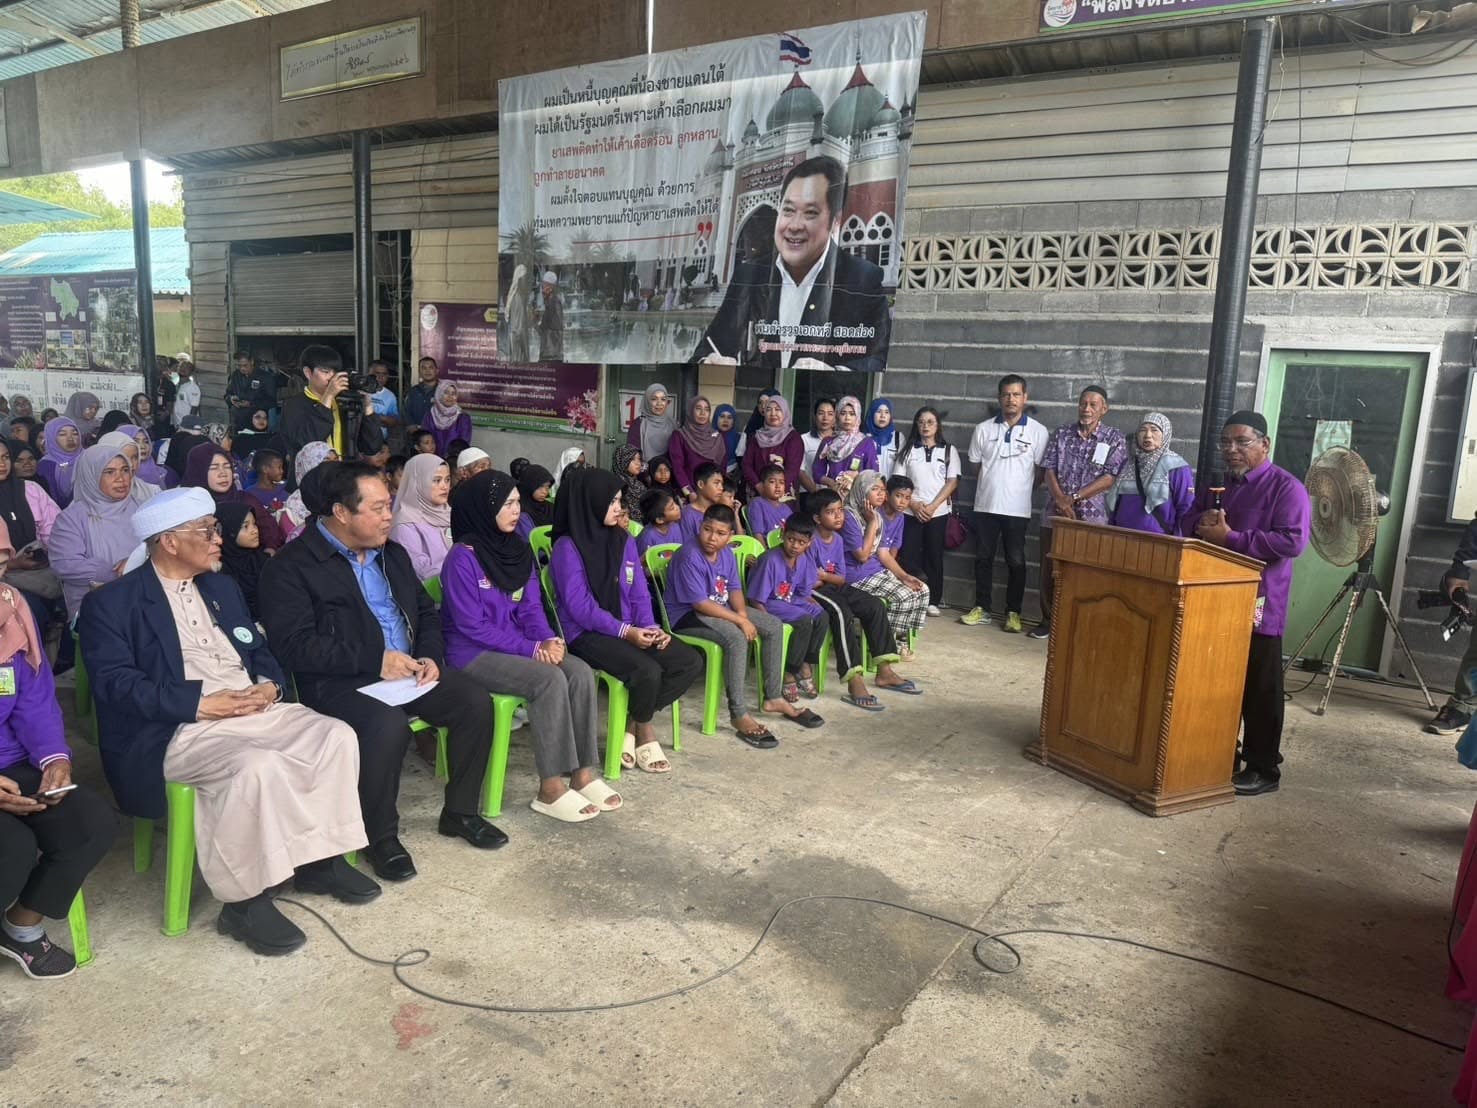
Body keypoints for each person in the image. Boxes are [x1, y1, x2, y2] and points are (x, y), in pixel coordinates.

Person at [80, 487, 376, 956]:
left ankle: (319, 861)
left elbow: (258, 649)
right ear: (169, 542)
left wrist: (269, 686)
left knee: (334, 736)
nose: (219, 538)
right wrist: (199, 704)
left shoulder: (220, 587)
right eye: (207, 531)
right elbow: (115, 684)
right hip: (179, 728)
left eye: (216, 528)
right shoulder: (112, 603)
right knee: (255, 766)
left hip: (252, 708)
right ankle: (243, 902)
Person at [259, 462, 505, 881]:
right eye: (377, 509)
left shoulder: (391, 553)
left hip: (407, 670)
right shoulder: (292, 566)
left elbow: (426, 613)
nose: (389, 517)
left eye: (389, 505)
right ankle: (379, 837)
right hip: (339, 680)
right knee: (386, 726)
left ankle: (460, 812)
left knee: (473, 701)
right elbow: (295, 646)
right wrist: (375, 659)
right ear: (341, 512)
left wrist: (429, 655)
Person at [441, 470, 618, 822]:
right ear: (483, 508)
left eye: (517, 503)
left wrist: (547, 640)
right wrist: (532, 650)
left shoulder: (517, 550)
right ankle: (550, 788)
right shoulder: (462, 558)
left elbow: (531, 609)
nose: (515, 511)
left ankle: (583, 773)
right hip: (472, 653)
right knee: (548, 680)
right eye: (506, 504)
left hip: (517, 644)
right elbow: (472, 626)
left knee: (579, 671)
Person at [1180, 411, 1310, 797]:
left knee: (1259, 687)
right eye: (1226, 443)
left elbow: (1292, 542)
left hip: (1259, 601)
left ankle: (1263, 767)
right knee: (1218, 679)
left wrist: (1232, 538)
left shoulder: (1286, 488)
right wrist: (1200, 522)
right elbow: (1186, 521)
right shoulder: (1220, 485)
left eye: (1241, 442)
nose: (1231, 450)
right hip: (1214, 596)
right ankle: (1223, 751)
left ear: (1264, 444)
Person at [0, 550, 114, 979]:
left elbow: (33, 699)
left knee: (89, 823)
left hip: (11, 761)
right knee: (10, 848)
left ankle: (20, 925)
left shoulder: (11, 610)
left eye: (0, 565)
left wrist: (54, 759)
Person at [550, 468, 702, 772]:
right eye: (612, 502)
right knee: (647, 671)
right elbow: (580, 607)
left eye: (619, 501)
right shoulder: (567, 547)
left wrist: (650, 627)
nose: (619, 508)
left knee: (688, 662)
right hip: (585, 634)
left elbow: (638, 593)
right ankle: (645, 731)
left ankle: (632, 723)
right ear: (590, 503)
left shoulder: (624, 539)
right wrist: (625, 631)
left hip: (628, 626)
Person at [694, 156, 890, 373]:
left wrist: (835, 371)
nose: (794, 226)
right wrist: (710, 361)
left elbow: (881, 359)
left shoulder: (862, 279)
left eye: (810, 213)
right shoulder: (749, 275)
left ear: (835, 221)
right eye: (788, 210)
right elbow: (707, 348)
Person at [664, 504, 815, 747]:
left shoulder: (726, 553)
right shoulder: (689, 555)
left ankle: (773, 697)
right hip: (687, 615)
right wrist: (740, 621)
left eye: (720, 533)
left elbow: (734, 588)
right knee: (735, 638)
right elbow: (700, 604)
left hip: (720, 607)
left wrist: (743, 614)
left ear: (730, 535)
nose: (712, 538)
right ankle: (738, 713)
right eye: (707, 529)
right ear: (700, 526)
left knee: (773, 625)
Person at [805, 488, 918, 708]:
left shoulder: (838, 540)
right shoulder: (810, 540)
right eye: (831, 512)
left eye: (840, 510)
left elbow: (841, 577)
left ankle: (884, 671)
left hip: (835, 585)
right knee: (841, 613)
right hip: (813, 591)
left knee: (874, 605)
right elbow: (809, 580)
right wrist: (826, 578)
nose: (839, 516)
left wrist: (825, 576)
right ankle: (853, 679)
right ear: (817, 518)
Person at [1034, 385, 1128, 639]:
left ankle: (1082, 623)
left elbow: (1110, 477)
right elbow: (1049, 469)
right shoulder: (1062, 433)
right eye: (1083, 403)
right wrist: (1061, 500)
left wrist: (1074, 498)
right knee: (1050, 568)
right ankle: (1048, 621)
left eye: (1093, 405)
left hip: (1092, 518)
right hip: (1055, 514)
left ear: (1104, 409)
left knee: (1087, 571)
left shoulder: (1114, 438)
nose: (1086, 409)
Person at [48, 445, 140, 622]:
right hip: (96, 605)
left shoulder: (143, 509)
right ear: (91, 475)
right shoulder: (71, 518)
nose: (121, 479)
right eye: (110, 472)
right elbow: (65, 565)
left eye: (125, 470)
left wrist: (138, 561)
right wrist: (119, 571)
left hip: (144, 597)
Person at [745, 513, 829, 704]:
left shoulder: (804, 559)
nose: (795, 546)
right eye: (791, 539)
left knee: (822, 616)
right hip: (770, 602)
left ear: (809, 543)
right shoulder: (770, 559)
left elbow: (803, 592)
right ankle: (790, 671)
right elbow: (756, 599)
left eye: (801, 542)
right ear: (783, 534)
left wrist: (812, 604)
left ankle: (804, 662)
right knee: (803, 620)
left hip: (791, 600)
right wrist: (766, 621)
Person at [842, 472, 930, 651]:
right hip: (856, 575)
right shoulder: (849, 516)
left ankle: (899, 638)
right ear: (862, 490)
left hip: (875, 570)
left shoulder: (875, 515)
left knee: (922, 590)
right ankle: (885, 645)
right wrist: (872, 524)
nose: (881, 494)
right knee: (904, 596)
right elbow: (862, 557)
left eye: (882, 490)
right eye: (875, 489)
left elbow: (884, 552)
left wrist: (904, 576)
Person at [895, 406, 961, 617]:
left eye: (930, 422)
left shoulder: (948, 450)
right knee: (908, 555)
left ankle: (932, 600)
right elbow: (899, 481)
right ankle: (910, 596)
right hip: (910, 512)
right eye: (921, 422)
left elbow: (952, 481)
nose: (925, 426)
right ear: (916, 425)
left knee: (934, 556)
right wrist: (913, 504)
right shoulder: (907, 450)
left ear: (937, 425)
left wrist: (932, 507)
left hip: (937, 512)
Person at [279, 345, 381, 461]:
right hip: (313, 472)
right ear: (308, 373)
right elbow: (306, 444)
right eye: (325, 372)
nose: (331, 377)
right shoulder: (294, 405)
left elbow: (372, 447)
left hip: (344, 470)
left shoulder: (345, 401)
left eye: (335, 372)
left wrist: (368, 407)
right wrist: (328, 396)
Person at [182, 443, 282, 551]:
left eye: (227, 466)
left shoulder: (245, 500)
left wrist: (270, 549)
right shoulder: (187, 509)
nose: (223, 473)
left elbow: (269, 529)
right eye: (214, 468)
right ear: (198, 472)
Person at [1108, 412, 1195, 536]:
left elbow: (1185, 507)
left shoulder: (1176, 467)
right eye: (1143, 430)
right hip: (1122, 537)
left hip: (1158, 540)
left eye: (1154, 430)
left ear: (1165, 434)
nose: (1148, 435)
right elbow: (1116, 504)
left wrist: (1177, 540)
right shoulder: (1128, 464)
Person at [390, 454, 453, 582]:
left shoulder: (449, 512)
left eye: (447, 480)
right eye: (436, 480)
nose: (445, 486)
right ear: (417, 483)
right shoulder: (404, 524)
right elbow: (421, 570)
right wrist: (463, 569)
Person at [215, 501, 269, 622]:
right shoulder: (220, 570)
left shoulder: (263, 559)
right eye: (245, 526)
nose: (254, 530)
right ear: (228, 530)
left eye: (254, 524)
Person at [812, 396, 877, 495]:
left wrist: (856, 476)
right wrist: (831, 483)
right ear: (837, 415)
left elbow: (873, 474)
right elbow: (817, 472)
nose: (847, 418)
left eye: (852, 414)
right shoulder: (828, 442)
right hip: (833, 495)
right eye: (843, 413)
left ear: (858, 416)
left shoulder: (866, 442)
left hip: (857, 497)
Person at [742, 394, 804, 499]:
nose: (773, 413)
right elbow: (746, 465)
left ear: (785, 412)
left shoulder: (793, 438)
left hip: (783, 495)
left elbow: (792, 470)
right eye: (769, 409)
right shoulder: (756, 437)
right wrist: (759, 485)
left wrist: (776, 490)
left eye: (778, 409)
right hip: (759, 493)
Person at [276, 442, 338, 544]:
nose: (334, 466)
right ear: (309, 465)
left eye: (336, 460)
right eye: (326, 461)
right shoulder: (295, 507)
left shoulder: (345, 492)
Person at [669, 397, 727, 500]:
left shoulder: (717, 437)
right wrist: (689, 493)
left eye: (706, 409)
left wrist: (718, 491)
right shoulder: (679, 435)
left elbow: (721, 469)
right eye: (698, 408)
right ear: (691, 411)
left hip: (711, 495)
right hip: (688, 495)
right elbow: (677, 468)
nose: (702, 413)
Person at [225, 351, 278, 432]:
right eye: (239, 366)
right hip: (238, 423)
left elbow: (272, 401)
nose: (242, 368)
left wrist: (251, 404)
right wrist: (231, 399)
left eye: (245, 365)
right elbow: (227, 395)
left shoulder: (266, 377)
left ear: (252, 362)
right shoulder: (235, 376)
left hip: (257, 423)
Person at [36, 418, 83, 508]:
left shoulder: (88, 458)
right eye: (62, 434)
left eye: (75, 433)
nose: (70, 439)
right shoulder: (45, 465)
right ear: (51, 437)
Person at [627, 382, 678, 462]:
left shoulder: (672, 424)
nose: (659, 403)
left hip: (669, 469)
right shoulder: (638, 424)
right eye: (654, 399)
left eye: (663, 399)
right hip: (644, 468)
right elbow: (633, 456)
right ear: (647, 401)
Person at [799, 398, 837, 495]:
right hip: (809, 494)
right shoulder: (804, 439)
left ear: (835, 418)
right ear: (815, 416)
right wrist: (816, 493)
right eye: (821, 413)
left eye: (830, 414)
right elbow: (800, 471)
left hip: (835, 496)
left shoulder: (840, 442)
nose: (825, 418)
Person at [425, 382, 472, 457]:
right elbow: (425, 440)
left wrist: (450, 458)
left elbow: (463, 443)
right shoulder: (430, 415)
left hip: (453, 459)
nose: (450, 397)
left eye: (453, 394)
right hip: (432, 458)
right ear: (439, 393)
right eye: (446, 392)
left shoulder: (463, 418)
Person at [746, 464, 793, 538]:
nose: (777, 486)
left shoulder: (786, 508)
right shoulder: (757, 504)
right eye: (772, 482)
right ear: (762, 485)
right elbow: (757, 534)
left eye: (781, 482)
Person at [636, 487, 688, 553]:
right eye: (672, 508)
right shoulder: (647, 539)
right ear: (660, 519)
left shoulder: (675, 525)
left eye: (674, 503)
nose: (677, 507)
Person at [865, 398, 904, 477]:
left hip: (891, 484)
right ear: (872, 414)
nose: (883, 416)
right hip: (869, 483)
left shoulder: (898, 438)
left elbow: (901, 467)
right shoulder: (863, 438)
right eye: (878, 411)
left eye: (886, 412)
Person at [501, 266, 532, 363]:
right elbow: (516, 325)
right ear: (519, 280)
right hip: (517, 337)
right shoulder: (516, 297)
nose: (526, 282)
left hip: (518, 334)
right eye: (524, 279)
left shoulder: (520, 296)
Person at [515, 463, 556, 538]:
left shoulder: (551, 507)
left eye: (547, 487)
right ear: (529, 485)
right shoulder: (519, 512)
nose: (545, 492)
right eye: (540, 486)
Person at [245, 448, 288, 514]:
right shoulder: (249, 495)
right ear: (265, 469)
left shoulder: (285, 488)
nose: (282, 471)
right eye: (279, 467)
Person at [404, 356, 440, 428]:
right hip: (416, 432)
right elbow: (406, 412)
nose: (427, 371)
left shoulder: (443, 391)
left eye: (431, 368)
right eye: (424, 368)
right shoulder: (413, 391)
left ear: (436, 371)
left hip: (436, 432)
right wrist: (411, 427)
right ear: (419, 372)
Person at [365, 360, 400, 430]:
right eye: (377, 373)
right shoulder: (360, 391)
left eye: (384, 374)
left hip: (380, 436)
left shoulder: (390, 396)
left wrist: (383, 419)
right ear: (368, 374)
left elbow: (394, 421)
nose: (381, 377)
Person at [537, 271, 564, 361]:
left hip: (551, 354)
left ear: (551, 286)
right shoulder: (550, 302)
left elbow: (555, 328)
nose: (542, 288)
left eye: (544, 285)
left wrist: (534, 322)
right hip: (550, 352)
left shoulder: (554, 302)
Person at [613, 445, 645, 518]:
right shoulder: (615, 484)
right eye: (632, 459)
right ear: (622, 460)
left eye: (639, 459)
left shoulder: (639, 485)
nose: (638, 463)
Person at [713, 404, 744, 473]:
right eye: (722, 416)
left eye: (729, 417)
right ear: (716, 418)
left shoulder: (739, 440)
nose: (725, 421)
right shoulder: (707, 437)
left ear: (733, 421)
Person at [172, 355, 202, 427]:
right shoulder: (176, 385)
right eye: (181, 366)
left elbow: (194, 408)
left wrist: (188, 424)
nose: (183, 369)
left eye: (187, 368)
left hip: (187, 425)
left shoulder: (192, 387)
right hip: (177, 423)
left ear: (191, 372)